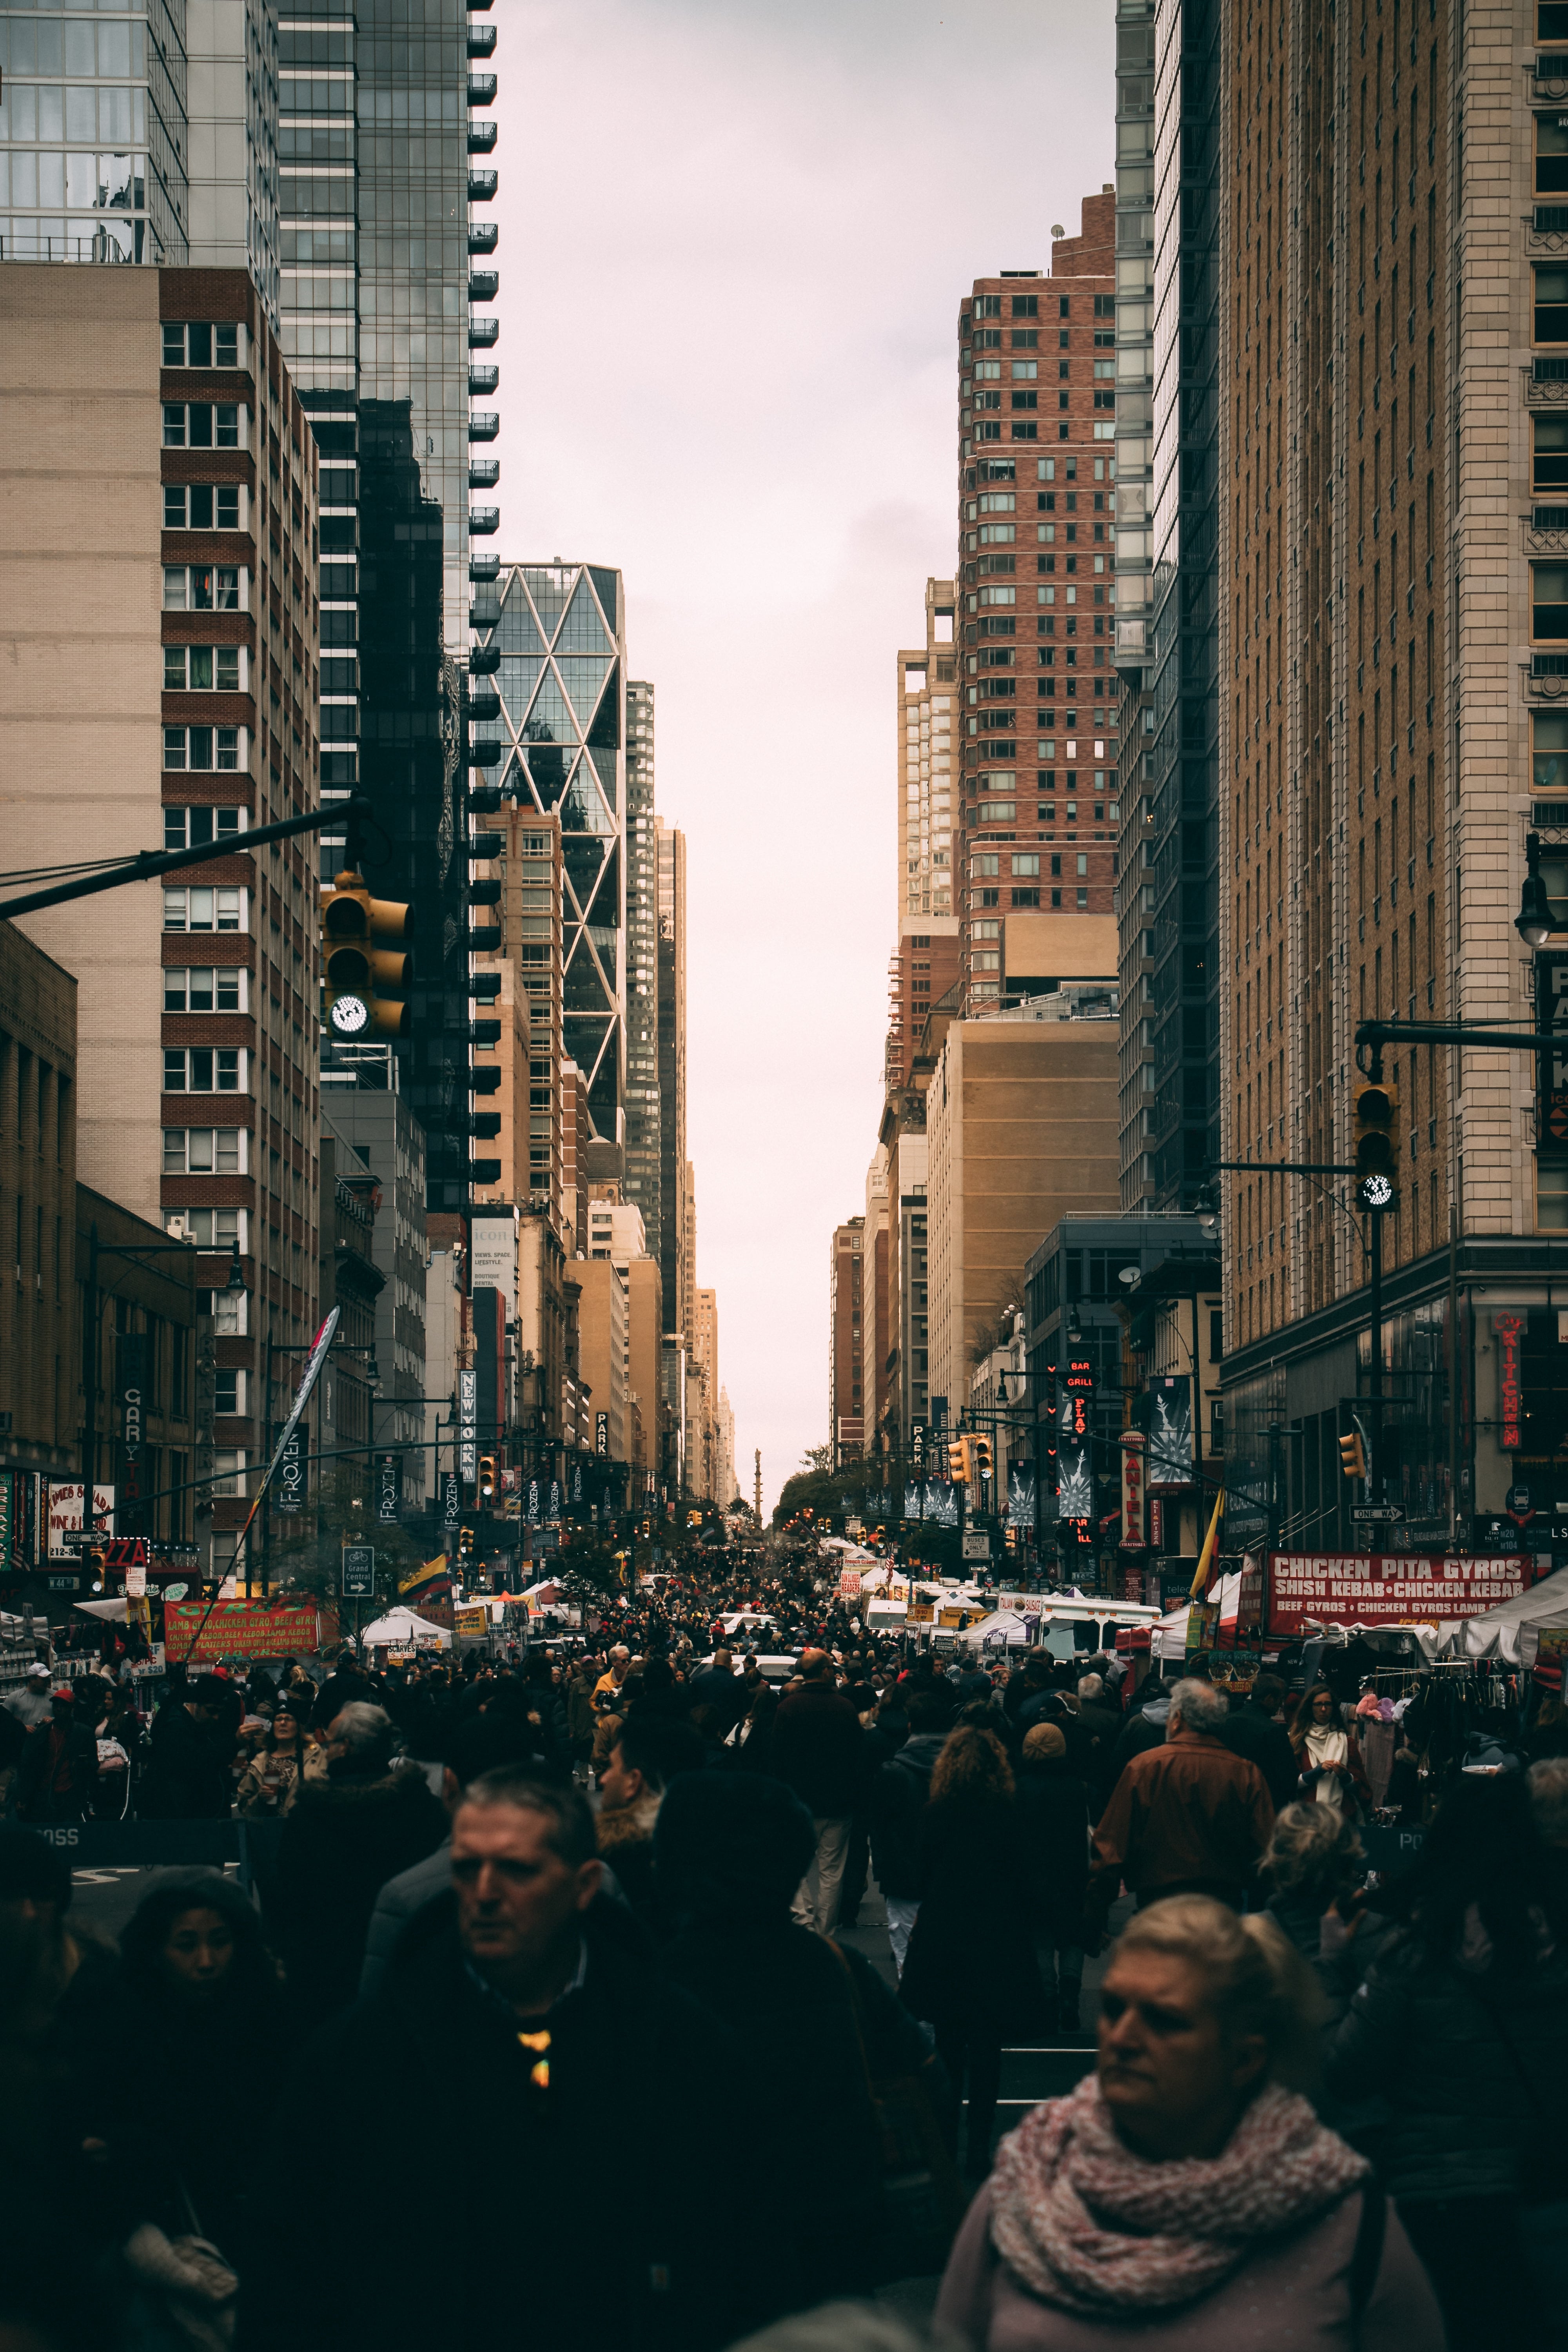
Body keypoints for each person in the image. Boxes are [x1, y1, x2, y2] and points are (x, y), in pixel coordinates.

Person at [251, 1769, 771, 2352]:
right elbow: (290, 2268)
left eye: (518, 1869)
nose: (485, 1892)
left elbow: (751, 2254)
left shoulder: (683, 2048)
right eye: (467, 1868)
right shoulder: (360, 2056)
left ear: (584, 1885)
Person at [935, 1893, 1444, 2350]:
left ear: (1244, 2059)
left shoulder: (1346, 2223)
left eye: (1165, 2020)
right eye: (1114, 2008)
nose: (1124, 2037)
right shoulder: (1025, 2185)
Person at [657, 1770, 941, 2307]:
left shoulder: (655, 1984)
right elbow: (927, 2086)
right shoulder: (839, 1970)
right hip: (832, 2242)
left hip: (693, 2256)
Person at [1321, 1772, 1568, 2348]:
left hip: (1436, 2194)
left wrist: (1335, 1971)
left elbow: (1348, 2074)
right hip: (1548, 2184)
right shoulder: (1554, 1944)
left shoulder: (1413, 1953)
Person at [113, 1871, 289, 2259]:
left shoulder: (273, 2025)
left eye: (221, 1942)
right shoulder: (125, 2037)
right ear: (155, 1952)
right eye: (186, 1945)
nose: (206, 1962)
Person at [900, 1725, 1047, 2180]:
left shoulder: (936, 1812)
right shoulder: (1011, 1812)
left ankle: (946, 2141)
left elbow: (919, 1876)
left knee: (947, 2045)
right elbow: (1027, 1878)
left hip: (946, 1933)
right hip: (996, 1935)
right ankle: (981, 2146)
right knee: (988, 2049)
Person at [271, 1700, 446, 2017]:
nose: (324, 1748)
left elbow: (289, 1897)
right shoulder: (421, 1805)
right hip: (410, 1963)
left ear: (345, 1748)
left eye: (330, 1741)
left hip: (327, 1969)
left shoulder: (312, 1814)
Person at [1087, 1678, 1274, 1933]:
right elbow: (1265, 1850)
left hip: (1158, 1903)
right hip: (1221, 1908)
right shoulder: (1245, 1774)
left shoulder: (1145, 1767)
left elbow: (1110, 1848)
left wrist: (1095, 1916)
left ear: (1176, 1719)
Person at [769, 1648, 864, 1935]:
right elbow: (857, 1756)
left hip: (799, 1801)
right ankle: (824, 1930)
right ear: (824, 1672)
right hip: (837, 1802)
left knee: (793, 1863)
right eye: (832, 1669)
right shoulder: (845, 1708)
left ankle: (803, 1919)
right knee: (831, 1871)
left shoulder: (788, 1708)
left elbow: (777, 1757)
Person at [594, 1711, 703, 1932]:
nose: (604, 1778)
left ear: (633, 1782)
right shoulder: (701, 1859)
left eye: (612, 1767)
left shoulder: (606, 1866)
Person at [1015, 1722, 1091, 2037]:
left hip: (1032, 1874)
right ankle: (1070, 1994)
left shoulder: (1018, 1788)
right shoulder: (1077, 1788)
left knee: (1041, 1938)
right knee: (1072, 1937)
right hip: (1071, 1872)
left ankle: (1047, 1997)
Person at [869, 1689, 951, 1975]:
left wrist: (885, 1871)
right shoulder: (963, 1772)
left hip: (903, 1877)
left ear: (910, 1727)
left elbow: (879, 1827)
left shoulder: (893, 1772)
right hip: (950, 1878)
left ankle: (915, 2015)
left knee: (908, 1958)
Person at [138, 1676, 232, 1818]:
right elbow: (196, 1762)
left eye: (220, 1712)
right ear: (197, 1704)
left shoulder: (196, 1723)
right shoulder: (175, 1727)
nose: (216, 1717)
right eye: (211, 1711)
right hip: (173, 1817)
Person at [1220, 1670, 1301, 1810]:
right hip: (1264, 1804)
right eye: (1280, 1700)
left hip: (1229, 1800)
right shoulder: (1273, 1730)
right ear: (1269, 1699)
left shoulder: (1226, 1722)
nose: (1280, 1705)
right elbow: (1288, 1777)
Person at [15, 1687, 99, 1823]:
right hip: (44, 1794)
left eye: (63, 1705)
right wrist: (23, 1797)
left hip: (70, 1794)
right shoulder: (41, 1734)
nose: (59, 1709)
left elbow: (93, 1764)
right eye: (56, 1705)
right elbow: (28, 1766)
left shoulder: (83, 1734)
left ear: (71, 1708)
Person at [234, 1686, 318, 1816]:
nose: (283, 1723)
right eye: (279, 1719)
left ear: (298, 1726)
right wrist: (260, 1799)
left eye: (289, 1719)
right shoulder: (260, 1762)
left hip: (306, 1827)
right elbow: (244, 1806)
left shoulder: (314, 1756)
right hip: (269, 1829)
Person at [1290, 1684, 1370, 1812]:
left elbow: (1362, 1790)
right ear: (1310, 1707)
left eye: (1328, 1704)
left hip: (1341, 1817)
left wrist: (1345, 1776)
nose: (1323, 1709)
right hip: (1306, 1817)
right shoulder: (1297, 1741)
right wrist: (1317, 1771)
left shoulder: (1346, 1742)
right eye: (1318, 1704)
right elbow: (1289, 1784)